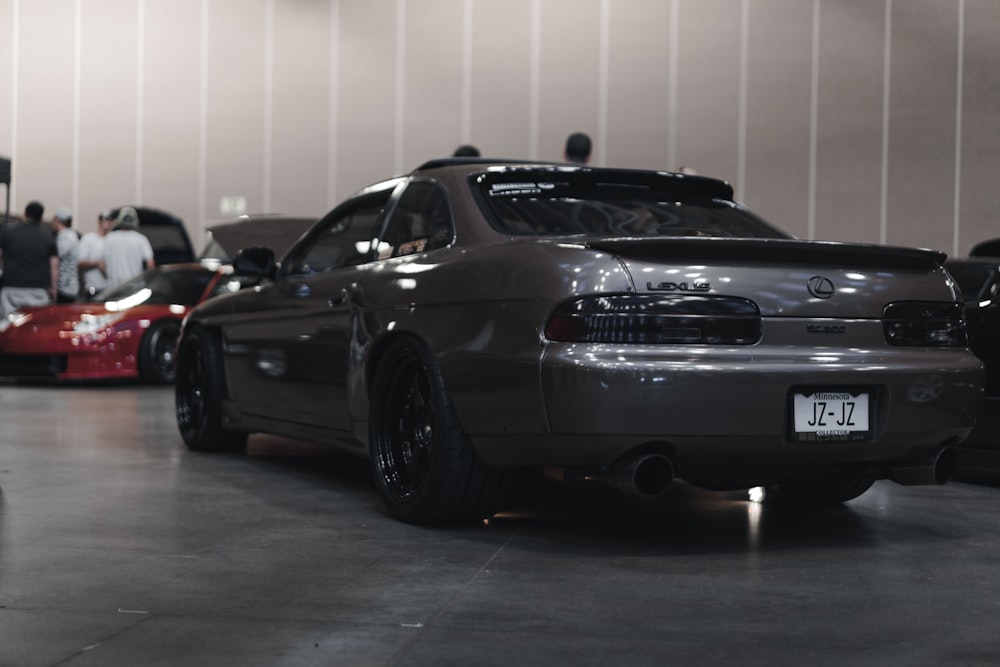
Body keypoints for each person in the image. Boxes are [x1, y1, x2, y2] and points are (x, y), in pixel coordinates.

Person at [0, 201, 58, 317]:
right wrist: (53, 289)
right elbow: (54, 265)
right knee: (34, 328)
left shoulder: (8, 231)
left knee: (7, 328)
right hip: (37, 291)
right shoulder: (47, 236)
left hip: (11, 289)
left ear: (24, 214)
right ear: (41, 218)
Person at [103, 206, 154, 287]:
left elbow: (102, 263)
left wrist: (109, 277)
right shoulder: (141, 239)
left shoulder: (110, 238)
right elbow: (150, 264)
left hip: (113, 288)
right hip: (134, 288)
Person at [77, 209, 114, 298]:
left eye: (110, 221)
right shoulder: (89, 239)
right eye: (106, 220)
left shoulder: (113, 240)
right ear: (100, 222)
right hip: (94, 288)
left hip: (111, 289)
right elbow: (80, 262)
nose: (108, 223)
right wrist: (96, 264)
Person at [52, 207, 80, 303]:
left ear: (58, 220)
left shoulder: (66, 237)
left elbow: (55, 256)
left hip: (65, 287)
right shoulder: (71, 235)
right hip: (70, 286)